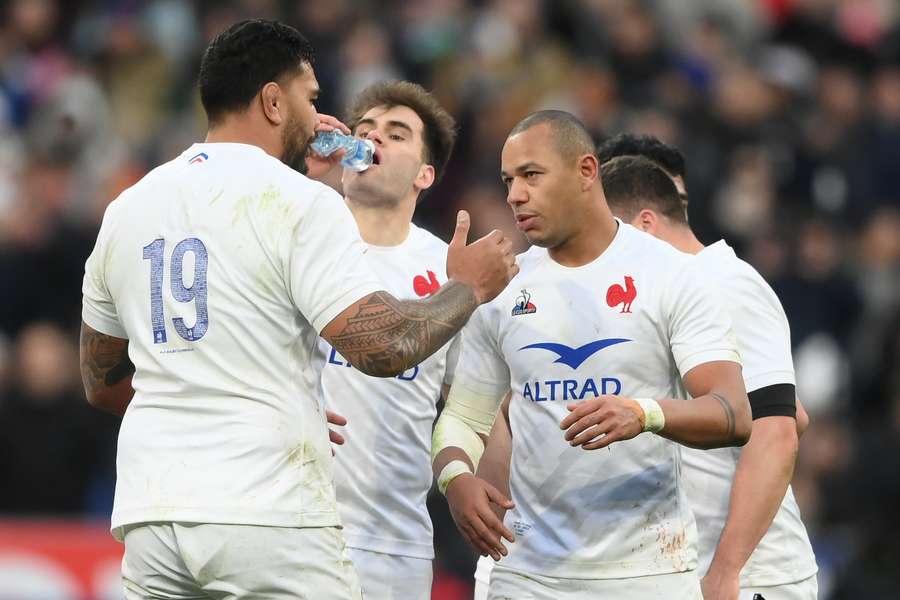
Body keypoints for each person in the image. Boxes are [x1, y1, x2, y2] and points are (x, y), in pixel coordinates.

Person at [79, 20, 517, 600]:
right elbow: (384, 349)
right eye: (311, 100)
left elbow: (101, 380)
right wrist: (468, 290)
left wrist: (208, 404)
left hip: (153, 516)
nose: (320, 122)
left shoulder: (128, 207)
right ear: (272, 100)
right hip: (268, 513)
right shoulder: (302, 203)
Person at [431, 110, 752, 599]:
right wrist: (456, 478)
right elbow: (463, 419)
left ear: (586, 172)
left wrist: (644, 414)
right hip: (527, 576)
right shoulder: (504, 289)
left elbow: (732, 412)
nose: (515, 194)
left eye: (531, 175)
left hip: (648, 574)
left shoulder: (670, 274)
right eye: (508, 180)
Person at [596, 141, 818, 600]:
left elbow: (777, 430)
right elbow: (791, 410)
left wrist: (726, 569)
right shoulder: (666, 297)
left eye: (611, 236)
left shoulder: (726, 284)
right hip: (681, 569)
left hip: (753, 576)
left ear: (645, 225)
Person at [312, 80, 459, 599]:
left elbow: (470, 406)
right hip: (288, 526)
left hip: (394, 545)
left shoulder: (449, 271)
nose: (374, 140)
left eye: (396, 134)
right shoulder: (297, 240)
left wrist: (462, 476)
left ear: (426, 174)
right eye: (365, 131)